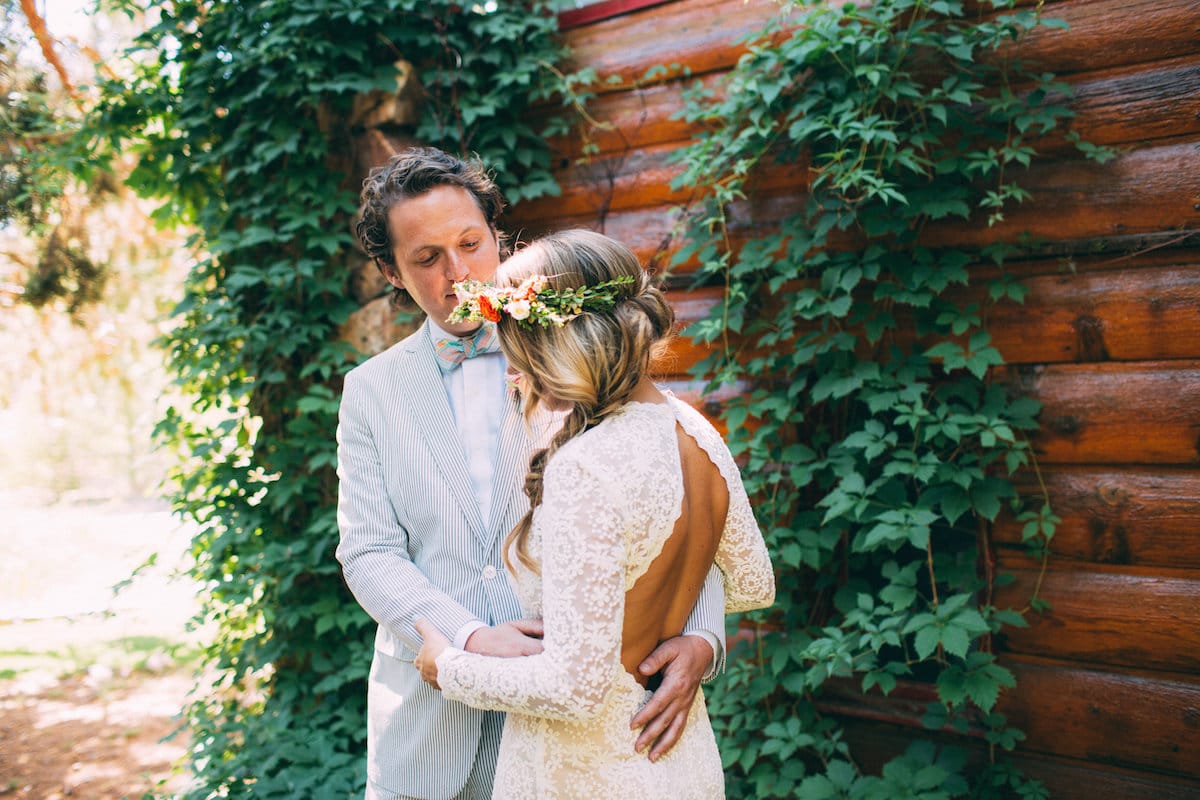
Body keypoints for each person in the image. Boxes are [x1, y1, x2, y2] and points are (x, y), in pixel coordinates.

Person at [335, 148, 727, 800]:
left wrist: (703, 639)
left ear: (498, 235)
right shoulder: (370, 391)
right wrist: (467, 637)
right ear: (391, 272)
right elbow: (369, 549)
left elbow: (675, 487)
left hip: (575, 733)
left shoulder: (577, 356)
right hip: (427, 731)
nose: (458, 273)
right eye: (427, 259)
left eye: (469, 243)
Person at [413, 229, 776, 799]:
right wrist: (698, 638)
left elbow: (574, 687)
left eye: (518, 348)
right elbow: (754, 581)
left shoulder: (586, 467)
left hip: (587, 773)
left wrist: (448, 669)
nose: (511, 369)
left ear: (560, 342)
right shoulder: (697, 430)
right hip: (678, 761)